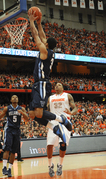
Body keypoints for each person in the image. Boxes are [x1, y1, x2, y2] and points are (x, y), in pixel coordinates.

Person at [28, 10, 72, 144]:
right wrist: (39, 23)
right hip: (38, 84)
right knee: (32, 115)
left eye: (45, 41)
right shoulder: (49, 51)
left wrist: (31, 22)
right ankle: (55, 127)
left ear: (46, 44)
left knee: (40, 113)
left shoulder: (44, 51)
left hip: (42, 83)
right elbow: (42, 35)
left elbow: (36, 35)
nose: (43, 40)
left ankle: (61, 120)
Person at [0, 95, 29, 177]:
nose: (15, 98)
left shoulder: (22, 108)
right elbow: (0, 116)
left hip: (17, 130)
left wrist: (23, 113)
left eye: (16, 97)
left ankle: (10, 169)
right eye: (13, 97)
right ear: (11, 100)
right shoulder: (7, 108)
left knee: (13, 151)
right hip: (9, 130)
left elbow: (27, 119)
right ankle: (4, 167)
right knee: (7, 149)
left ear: (18, 100)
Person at [46, 83, 77, 177]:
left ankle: (60, 165)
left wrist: (71, 112)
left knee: (62, 143)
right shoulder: (50, 98)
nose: (57, 86)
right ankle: (50, 165)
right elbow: (47, 110)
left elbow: (75, 108)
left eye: (59, 85)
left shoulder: (67, 96)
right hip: (53, 122)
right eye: (56, 85)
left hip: (65, 122)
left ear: (62, 88)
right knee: (49, 145)